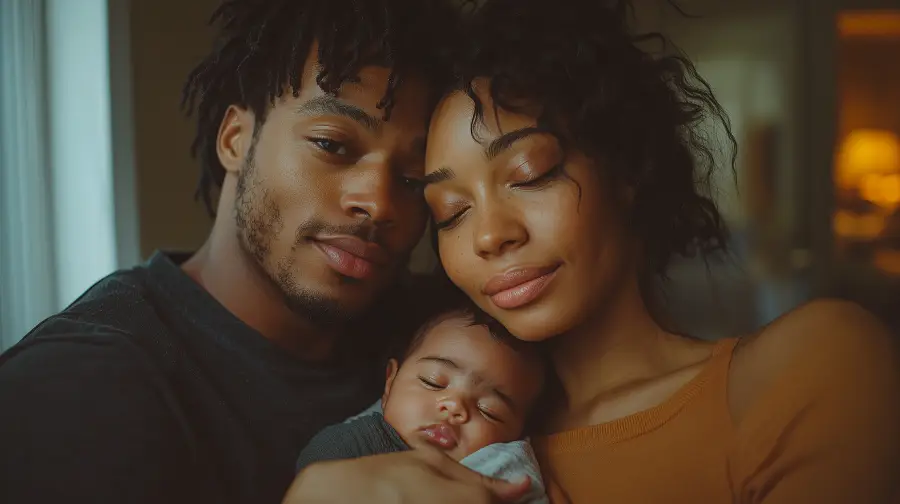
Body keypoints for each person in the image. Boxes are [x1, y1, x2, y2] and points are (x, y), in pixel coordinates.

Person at [284, 0, 900, 502]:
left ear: (624, 171)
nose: (489, 235)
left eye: (529, 175)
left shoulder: (801, 367)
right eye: (452, 212)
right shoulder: (424, 425)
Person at [0, 2, 529, 504]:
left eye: (414, 179)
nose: (379, 202)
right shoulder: (75, 388)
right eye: (332, 144)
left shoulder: (456, 339)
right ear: (234, 138)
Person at [296, 286, 549, 504]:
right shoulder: (356, 443)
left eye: (488, 410)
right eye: (433, 382)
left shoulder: (503, 474)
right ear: (389, 384)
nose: (454, 406)